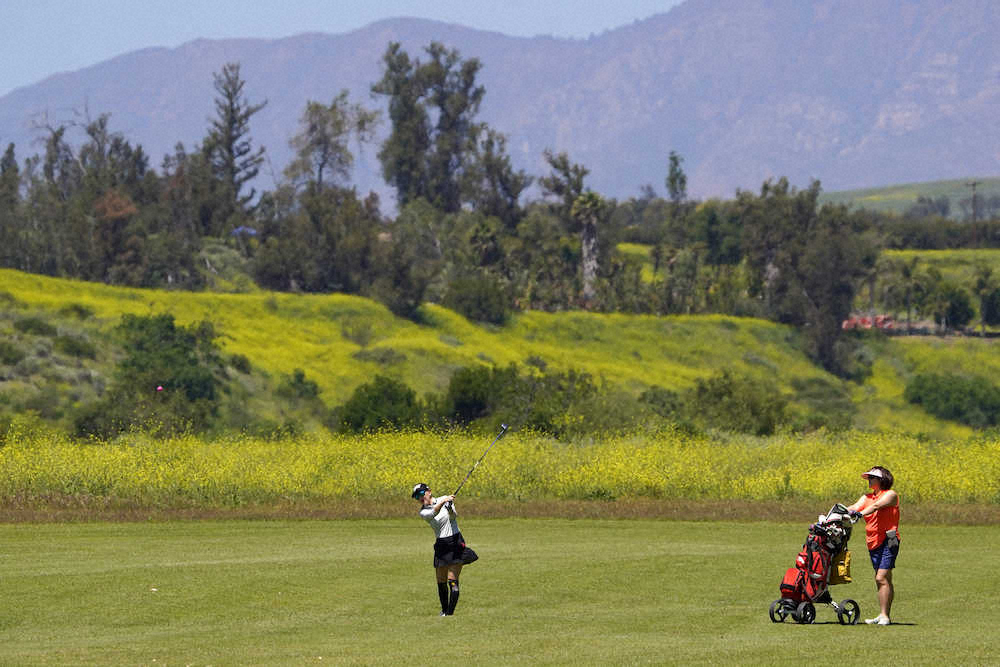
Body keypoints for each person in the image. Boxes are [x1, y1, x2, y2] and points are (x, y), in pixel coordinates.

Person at [412, 482, 479, 616]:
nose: (420, 498)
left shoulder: (444, 499)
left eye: (421, 494)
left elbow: (453, 517)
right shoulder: (423, 511)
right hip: (441, 544)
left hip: (455, 541)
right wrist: (444, 502)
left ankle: (449, 614)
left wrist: (449, 509)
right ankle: (444, 610)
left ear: (429, 491)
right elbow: (433, 513)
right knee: (440, 581)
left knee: (452, 580)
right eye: (417, 496)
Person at [847, 465, 900, 626]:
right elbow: (854, 507)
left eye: (872, 478)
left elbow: (876, 506)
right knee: (884, 579)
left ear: (881, 480)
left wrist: (859, 514)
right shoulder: (867, 497)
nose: (869, 480)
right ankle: (884, 614)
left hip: (889, 539)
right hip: (872, 541)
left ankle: (885, 616)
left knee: (881, 577)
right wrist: (837, 513)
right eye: (869, 477)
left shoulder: (890, 494)